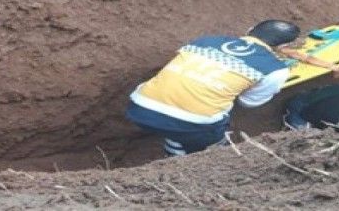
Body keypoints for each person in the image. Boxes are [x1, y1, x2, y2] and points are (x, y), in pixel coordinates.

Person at [126, 20, 303, 156]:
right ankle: (181, 157)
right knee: (212, 145)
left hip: (140, 106)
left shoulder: (206, 41)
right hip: (193, 122)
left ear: (250, 30)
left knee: (182, 123)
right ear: (284, 47)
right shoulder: (275, 69)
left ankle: (175, 138)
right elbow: (248, 102)